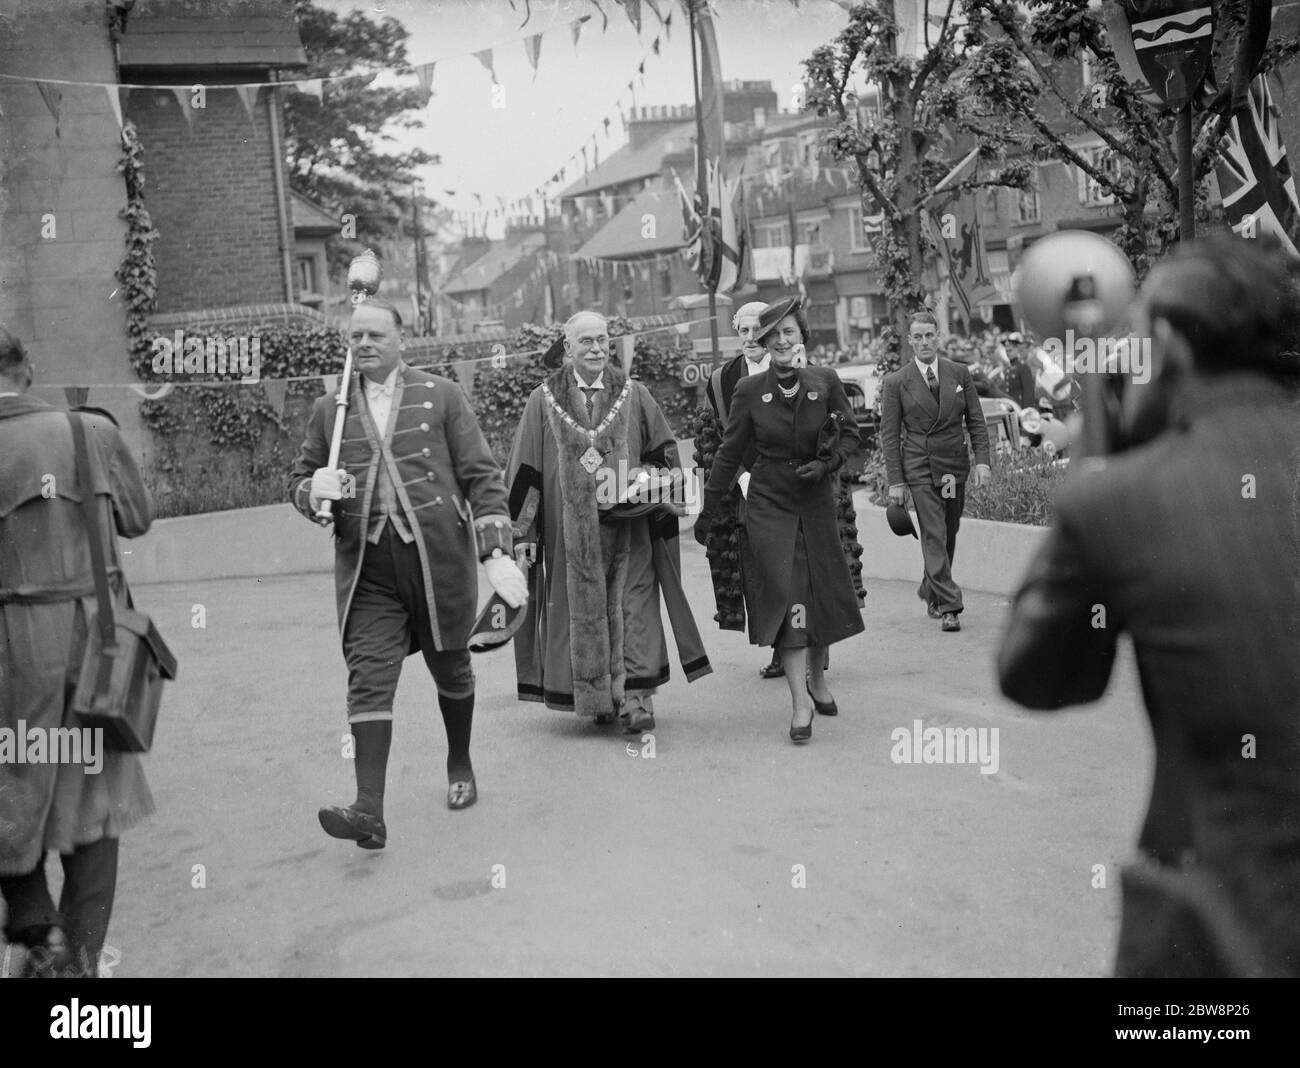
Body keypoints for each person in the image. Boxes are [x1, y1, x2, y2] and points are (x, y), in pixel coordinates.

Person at [998, 236, 1300, 977]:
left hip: (1227, 931)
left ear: (1166, 346)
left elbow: (1040, 676)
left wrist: (1098, 465)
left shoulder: (1127, 501)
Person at [288, 298, 527, 850]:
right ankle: (368, 809)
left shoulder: (440, 394)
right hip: (367, 569)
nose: (365, 344)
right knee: (368, 678)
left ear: (402, 340)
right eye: (356, 337)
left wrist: (497, 554)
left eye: (376, 335)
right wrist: (311, 490)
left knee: (451, 668)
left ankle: (460, 760)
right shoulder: (332, 409)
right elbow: (300, 477)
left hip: (437, 561)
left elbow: (482, 476)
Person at [0, 326, 153, 977]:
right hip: (95, 648)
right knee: (91, 794)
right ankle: (80, 963)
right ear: (26, 367)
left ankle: (40, 936)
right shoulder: (90, 431)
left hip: (11, 649)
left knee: (14, 788)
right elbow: (138, 518)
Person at [506, 311, 711, 733]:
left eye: (602, 340)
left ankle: (636, 699)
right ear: (568, 348)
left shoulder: (635, 394)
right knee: (580, 611)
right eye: (587, 342)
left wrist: (651, 477)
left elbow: (665, 451)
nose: (598, 348)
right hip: (570, 535)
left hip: (630, 528)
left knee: (633, 606)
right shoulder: (542, 399)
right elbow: (525, 471)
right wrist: (524, 532)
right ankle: (598, 698)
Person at [695, 297, 864, 744]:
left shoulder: (825, 381)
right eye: (774, 336)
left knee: (820, 592)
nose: (783, 340)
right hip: (769, 504)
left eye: (790, 332)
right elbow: (730, 453)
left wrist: (827, 467)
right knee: (789, 595)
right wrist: (709, 511)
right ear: (765, 344)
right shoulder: (749, 392)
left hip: (816, 499)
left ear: (802, 336)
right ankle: (799, 704)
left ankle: (818, 678)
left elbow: (851, 435)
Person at [879, 310, 992, 633]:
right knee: (933, 531)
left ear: (938, 336)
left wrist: (982, 460)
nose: (925, 342)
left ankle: (931, 589)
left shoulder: (959, 373)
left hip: (952, 467)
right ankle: (949, 605)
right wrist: (896, 481)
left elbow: (976, 421)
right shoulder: (897, 382)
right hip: (920, 465)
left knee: (948, 529)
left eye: (930, 335)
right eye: (918, 336)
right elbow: (889, 435)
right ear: (910, 340)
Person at [700, 300, 786, 679]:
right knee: (756, 572)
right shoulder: (721, 379)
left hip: (787, 489)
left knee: (791, 569)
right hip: (741, 493)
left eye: (758, 330)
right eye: (744, 330)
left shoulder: (793, 368)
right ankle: (780, 645)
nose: (751, 338)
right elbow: (711, 439)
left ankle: (799, 644)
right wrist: (742, 479)